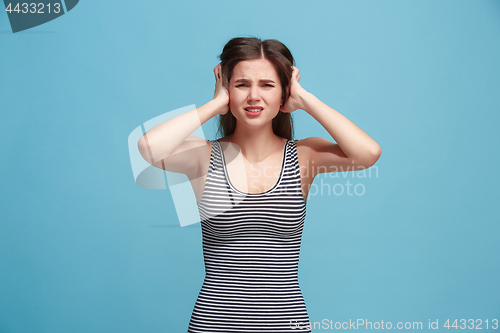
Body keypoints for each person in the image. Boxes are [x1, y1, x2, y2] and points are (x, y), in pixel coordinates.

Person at [138, 36, 381, 332]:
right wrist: (215, 104)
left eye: (267, 85)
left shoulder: (304, 157)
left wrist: (304, 99)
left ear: (283, 93)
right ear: (228, 89)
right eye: (242, 85)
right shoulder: (202, 156)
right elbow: (148, 147)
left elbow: (368, 153)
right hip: (214, 324)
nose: (254, 96)